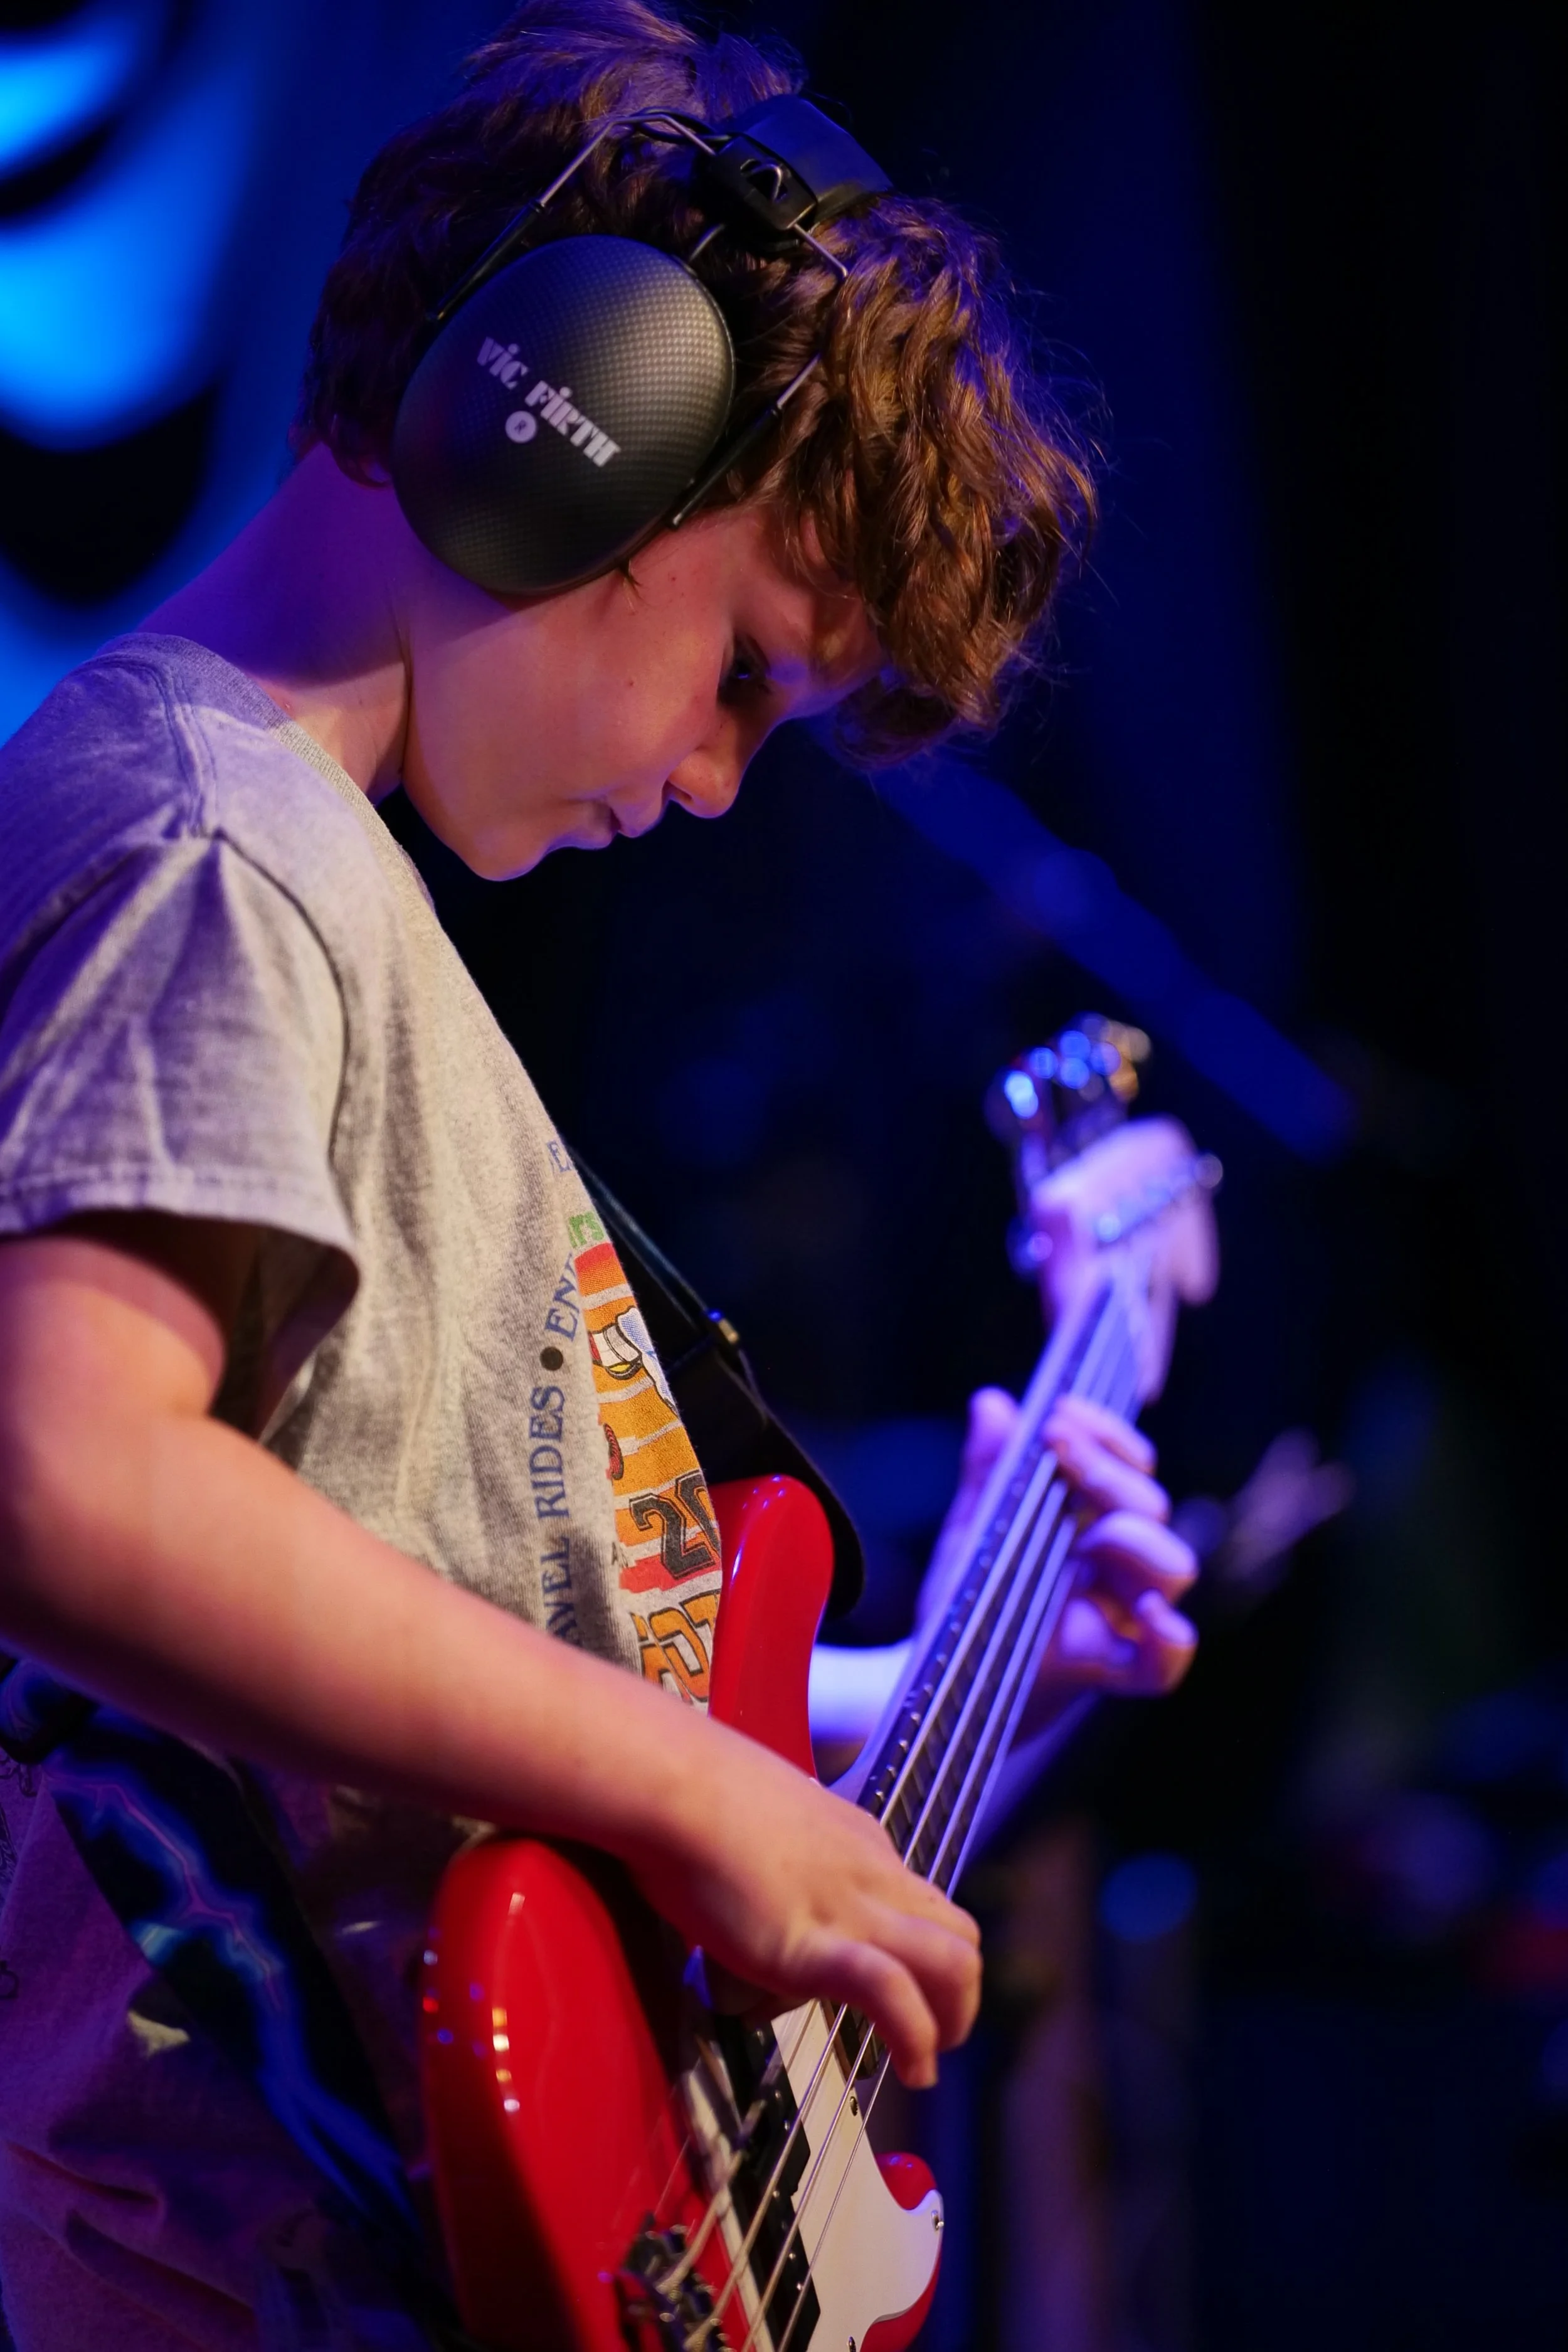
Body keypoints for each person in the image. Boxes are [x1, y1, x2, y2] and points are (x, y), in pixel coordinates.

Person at [0, 4, 1199, 2346]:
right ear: (568, 420)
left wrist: (899, 1705)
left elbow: (465, 1671)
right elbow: (68, 1480)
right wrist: (688, 1783)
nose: (730, 778)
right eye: (748, 672)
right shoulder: (206, 838)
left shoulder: (328, 897)